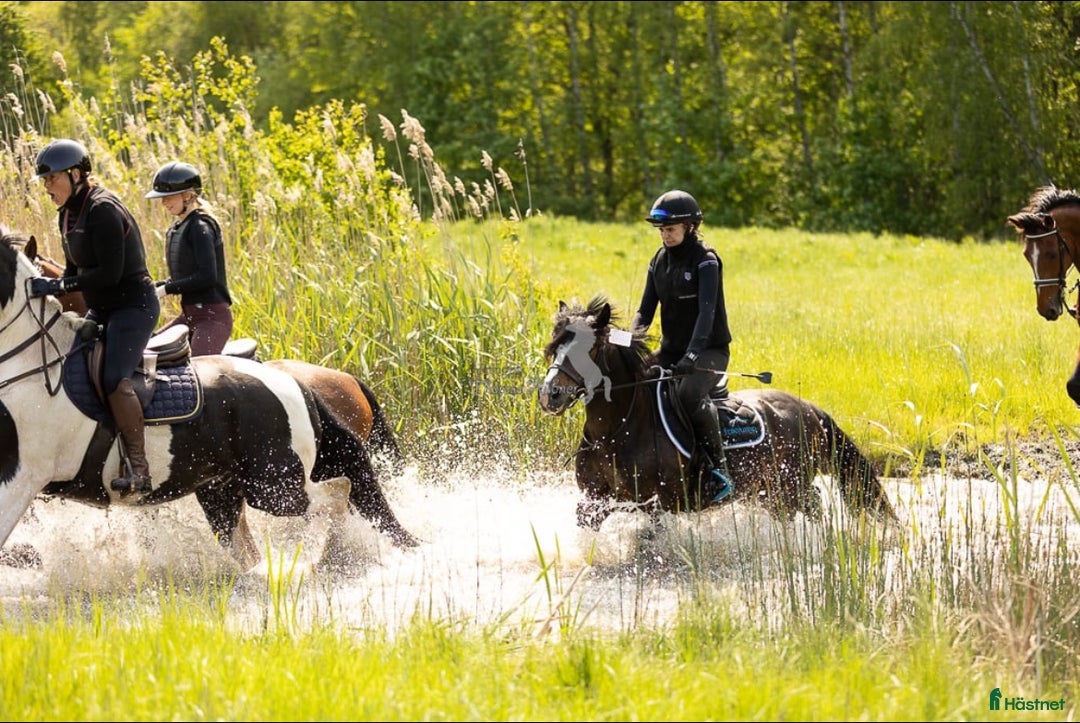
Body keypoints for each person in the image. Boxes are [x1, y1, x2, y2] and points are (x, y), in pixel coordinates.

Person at [30, 138, 160, 494]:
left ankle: (140, 468)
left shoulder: (103, 209)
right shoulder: (68, 214)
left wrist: (58, 286)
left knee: (114, 375)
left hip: (133, 307)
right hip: (102, 308)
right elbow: (75, 269)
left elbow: (110, 274)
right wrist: (57, 287)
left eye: (51, 179)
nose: (47, 188)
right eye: (44, 182)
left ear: (75, 175)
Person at [630, 189, 734, 503]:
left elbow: (707, 313)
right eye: (662, 230)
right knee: (635, 381)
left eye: (671, 229)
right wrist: (625, 340)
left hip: (709, 351)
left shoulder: (706, 260)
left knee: (688, 394)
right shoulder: (658, 261)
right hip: (672, 350)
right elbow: (645, 312)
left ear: (689, 226)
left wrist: (692, 355)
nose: (665, 235)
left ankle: (718, 472)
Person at [145, 161, 233, 355]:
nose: (164, 203)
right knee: (148, 351)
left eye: (169, 197)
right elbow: (185, 277)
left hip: (212, 317)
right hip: (190, 315)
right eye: (162, 198)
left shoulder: (201, 227)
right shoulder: (178, 228)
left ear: (188, 195)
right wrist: (154, 286)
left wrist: (165, 290)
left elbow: (207, 276)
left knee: (199, 369)